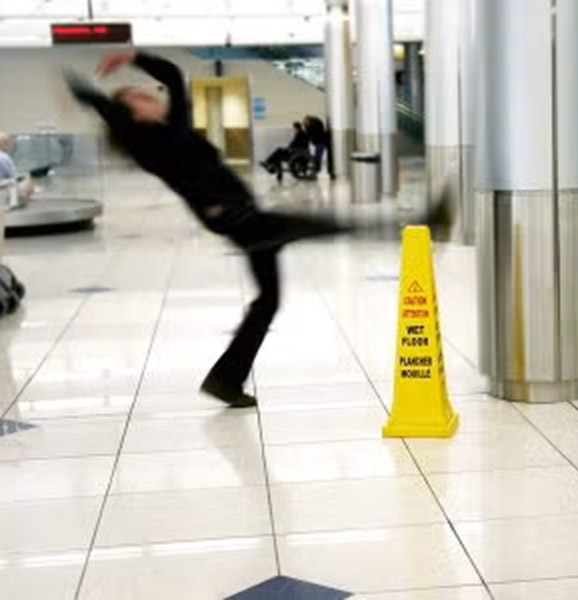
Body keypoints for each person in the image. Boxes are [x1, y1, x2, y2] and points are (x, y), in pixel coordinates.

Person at [66, 52, 447, 408]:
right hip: (233, 218)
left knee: (268, 301)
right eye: (138, 97)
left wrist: (132, 57)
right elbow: (95, 100)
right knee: (327, 224)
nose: (149, 96)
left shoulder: (174, 124)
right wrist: (92, 90)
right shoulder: (142, 140)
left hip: (246, 215)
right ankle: (422, 224)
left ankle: (225, 380)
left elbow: (172, 76)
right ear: (127, 112)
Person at [0, 133, 34, 202]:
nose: (10, 146)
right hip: (3, 188)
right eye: (8, 143)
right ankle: (15, 203)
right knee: (26, 180)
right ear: (4, 144)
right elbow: (13, 177)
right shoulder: (4, 157)